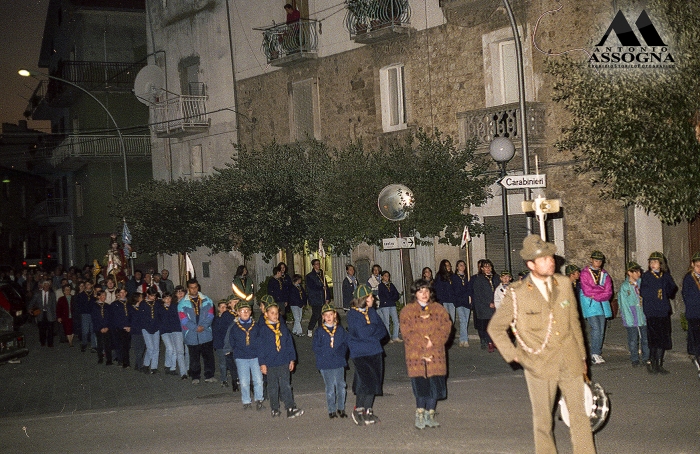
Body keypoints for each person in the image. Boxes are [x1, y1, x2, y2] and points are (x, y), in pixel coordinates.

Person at [488, 235, 595, 454]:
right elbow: (495, 328)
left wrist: (583, 357)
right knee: (543, 422)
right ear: (531, 265)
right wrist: (514, 355)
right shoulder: (517, 293)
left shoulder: (564, 284)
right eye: (544, 259)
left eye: (551, 257)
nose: (551, 261)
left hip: (570, 359)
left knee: (579, 416)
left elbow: (575, 323)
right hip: (539, 365)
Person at [400, 279, 451, 429]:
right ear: (415, 293)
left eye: (426, 291)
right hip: (416, 354)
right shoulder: (407, 311)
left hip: (436, 353)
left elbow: (446, 327)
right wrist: (423, 343)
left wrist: (433, 341)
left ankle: (430, 414)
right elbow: (407, 332)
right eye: (420, 291)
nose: (424, 294)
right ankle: (420, 416)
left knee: (435, 388)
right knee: (421, 388)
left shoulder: (439, 309)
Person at [256, 296, 304, 418]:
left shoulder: (282, 327)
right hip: (270, 363)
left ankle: (290, 407)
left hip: (283, 361)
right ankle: (274, 408)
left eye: (277, 313)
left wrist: (291, 359)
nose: (275, 315)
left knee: (286, 385)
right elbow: (260, 348)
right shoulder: (263, 330)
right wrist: (262, 363)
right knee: (272, 387)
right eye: (272, 313)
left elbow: (289, 344)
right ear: (266, 314)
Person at [347, 284, 387, 426]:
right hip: (360, 353)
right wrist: (373, 331)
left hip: (375, 350)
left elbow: (383, 331)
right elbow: (362, 333)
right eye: (370, 296)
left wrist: (371, 331)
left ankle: (368, 410)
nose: (373, 298)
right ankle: (358, 409)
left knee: (375, 381)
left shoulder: (372, 311)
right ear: (364, 299)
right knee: (365, 381)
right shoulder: (353, 314)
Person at [640, 251, 678, 374]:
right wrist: (656, 290)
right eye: (651, 262)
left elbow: (672, 289)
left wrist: (666, 289)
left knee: (663, 337)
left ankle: (660, 363)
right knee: (653, 338)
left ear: (661, 264)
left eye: (655, 262)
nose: (653, 264)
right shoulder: (646, 276)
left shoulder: (665, 276)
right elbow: (643, 292)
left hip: (663, 311)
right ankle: (652, 362)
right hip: (652, 311)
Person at [312, 303, 349, 419]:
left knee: (341, 386)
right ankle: (331, 410)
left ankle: (341, 408)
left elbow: (345, 344)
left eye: (331, 314)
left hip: (338, 361)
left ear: (335, 315)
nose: (328, 317)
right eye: (326, 315)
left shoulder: (340, 330)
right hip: (326, 363)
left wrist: (340, 353)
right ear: (323, 317)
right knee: (330, 388)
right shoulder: (319, 331)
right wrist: (325, 354)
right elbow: (315, 347)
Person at [229, 299, 265, 410]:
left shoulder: (256, 326)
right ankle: (246, 401)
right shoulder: (235, 328)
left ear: (251, 312)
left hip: (255, 357)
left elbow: (261, 341)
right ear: (238, 313)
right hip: (241, 358)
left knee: (258, 380)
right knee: (244, 381)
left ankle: (259, 399)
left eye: (247, 310)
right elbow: (232, 342)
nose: (245, 313)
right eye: (242, 311)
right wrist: (238, 352)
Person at [178, 278, 216, 384]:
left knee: (208, 356)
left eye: (195, 287)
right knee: (194, 357)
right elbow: (184, 319)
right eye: (191, 288)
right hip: (191, 334)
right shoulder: (182, 303)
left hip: (205, 333)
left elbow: (210, 315)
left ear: (198, 287)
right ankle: (195, 376)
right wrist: (195, 328)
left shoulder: (207, 300)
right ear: (188, 288)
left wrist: (203, 326)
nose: (194, 290)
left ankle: (209, 375)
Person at [579, 250, 613, 365]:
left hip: (602, 305)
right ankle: (594, 353)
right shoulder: (585, 273)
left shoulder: (605, 274)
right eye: (596, 260)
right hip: (590, 305)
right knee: (596, 328)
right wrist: (600, 290)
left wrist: (596, 293)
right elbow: (587, 290)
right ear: (591, 260)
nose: (598, 263)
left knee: (601, 330)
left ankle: (597, 352)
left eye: (600, 261)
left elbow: (608, 291)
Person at [618, 261, 649, 367]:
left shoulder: (642, 283)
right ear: (629, 273)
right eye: (635, 272)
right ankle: (635, 358)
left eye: (639, 271)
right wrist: (628, 318)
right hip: (631, 315)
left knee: (645, 338)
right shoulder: (625, 287)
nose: (638, 274)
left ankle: (646, 357)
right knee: (633, 339)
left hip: (642, 314)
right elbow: (624, 304)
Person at [157, 290, 188, 378]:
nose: (168, 300)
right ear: (163, 299)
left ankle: (174, 369)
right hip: (165, 331)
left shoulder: (174, 306)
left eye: (169, 298)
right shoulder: (161, 308)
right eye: (166, 298)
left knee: (177, 350)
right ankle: (167, 365)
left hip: (174, 330)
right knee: (170, 348)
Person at [471, 259, 499, 351]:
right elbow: (478, 294)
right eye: (485, 267)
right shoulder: (479, 279)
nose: (488, 269)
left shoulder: (496, 277)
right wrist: (488, 303)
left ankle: (492, 341)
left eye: (489, 266)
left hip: (495, 305)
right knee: (485, 326)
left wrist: (496, 302)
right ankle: (487, 341)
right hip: (484, 306)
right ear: (482, 268)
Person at [682, 252, 700, 378]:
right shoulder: (689, 278)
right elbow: (687, 296)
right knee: (697, 339)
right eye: (698, 266)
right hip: (694, 314)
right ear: (693, 265)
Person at [213, 300, 238, 389]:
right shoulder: (217, 319)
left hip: (228, 344)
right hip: (220, 344)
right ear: (218, 309)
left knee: (232, 362)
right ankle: (223, 379)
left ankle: (235, 378)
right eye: (221, 307)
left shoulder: (229, 317)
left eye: (225, 307)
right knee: (223, 363)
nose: (224, 309)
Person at [29, 280, 57, 347]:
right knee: (42, 329)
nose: (46, 287)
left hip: (49, 313)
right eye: (45, 285)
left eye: (48, 285)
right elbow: (32, 302)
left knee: (50, 329)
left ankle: (50, 343)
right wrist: (29, 309)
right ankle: (42, 342)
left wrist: (55, 314)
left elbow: (54, 305)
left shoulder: (52, 294)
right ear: (43, 286)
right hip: (40, 313)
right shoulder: (37, 293)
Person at [140, 288, 161, 374]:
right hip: (146, 328)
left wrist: (158, 325)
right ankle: (145, 364)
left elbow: (159, 315)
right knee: (150, 348)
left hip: (156, 327)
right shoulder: (143, 304)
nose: (153, 297)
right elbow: (142, 317)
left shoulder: (157, 303)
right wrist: (147, 327)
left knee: (156, 348)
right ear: (147, 295)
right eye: (152, 295)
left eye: (154, 296)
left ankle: (153, 367)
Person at [306, 259, 329, 337]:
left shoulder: (322, 275)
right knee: (316, 314)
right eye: (316, 264)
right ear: (313, 265)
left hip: (322, 298)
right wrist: (321, 288)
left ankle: (320, 330)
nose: (318, 265)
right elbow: (311, 287)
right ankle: (310, 328)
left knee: (321, 315)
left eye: (319, 264)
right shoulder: (309, 276)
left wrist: (327, 297)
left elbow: (326, 287)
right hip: (314, 298)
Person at [110, 288, 133, 369]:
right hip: (119, 327)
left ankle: (124, 360)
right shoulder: (114, 304)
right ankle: (124, 361)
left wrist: (130, 326)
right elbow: (115, 317)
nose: (122, 294)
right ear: (118, 294)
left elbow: (131, 316)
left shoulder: (129, 304)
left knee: (127, 345)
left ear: (126, 293)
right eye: (121, 292)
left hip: (128, 328)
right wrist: (122, 326)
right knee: (120, 345)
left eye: (124, 292)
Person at [377, 271, 402, 342]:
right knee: (386, 322)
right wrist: (388, 299)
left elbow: (396, 294)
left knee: (396, 321)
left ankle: (395, 336)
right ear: (382, 277)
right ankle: (388, 338)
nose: (387, 277)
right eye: (385, 276)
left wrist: (392, 299)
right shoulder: (380, 286)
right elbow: (382, 295)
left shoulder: (391, 285)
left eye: (388, 276)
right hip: (385, 305)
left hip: (392, 304)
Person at [91, 290, 113, 365]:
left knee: (108, 343)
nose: (103, 297)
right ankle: (100, 357)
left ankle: (109, 359)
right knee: (100, 343)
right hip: (99, 328)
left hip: (107, 327)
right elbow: (95, 318)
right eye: (102, 295)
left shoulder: (107, 306)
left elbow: (110, 318)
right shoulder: (94, 306)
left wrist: (107, 327)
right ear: (98, 296)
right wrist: (100, 327)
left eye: (104, 295)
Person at [452, 260, 471, 347]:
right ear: (457, 267)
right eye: (460, 265)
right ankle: (464, 339)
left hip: (467, 301)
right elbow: (456, 289)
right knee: (463, 320)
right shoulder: (455, 277)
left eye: (463, 265)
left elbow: (469, 289)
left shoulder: (468, 277)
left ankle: (462, 338)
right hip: (459, 301)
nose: (462, 266)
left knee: (465, 321)